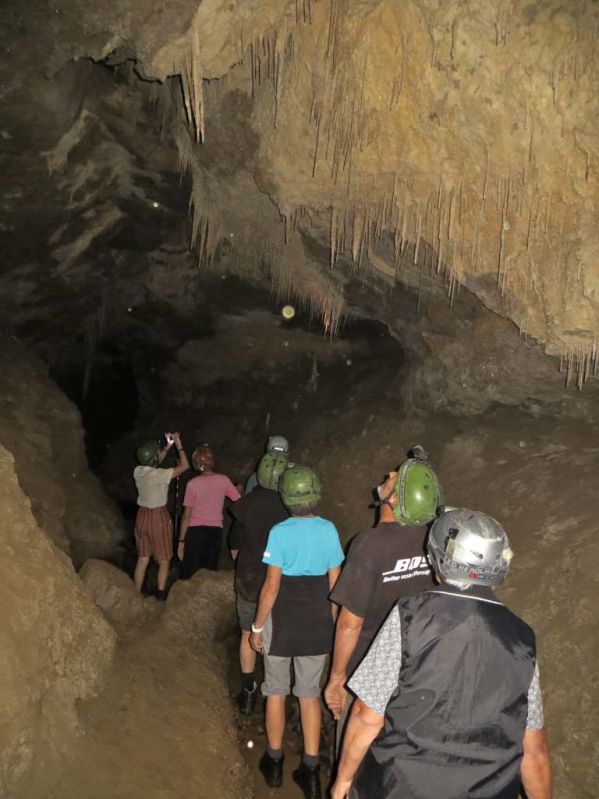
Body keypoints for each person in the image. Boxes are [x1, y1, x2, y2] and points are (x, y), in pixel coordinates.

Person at [331, 508, 553, 799]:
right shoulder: (522, 638)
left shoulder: (410, 615)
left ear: (436, 559)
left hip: (401, 786)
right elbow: (533, 750)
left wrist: (343, 781)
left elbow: (367, 715)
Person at [325, 448, 442, 747]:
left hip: (367, 675)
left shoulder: (369, 545)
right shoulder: (438, 541)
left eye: (396, 477)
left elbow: (349, 622)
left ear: (394, 500)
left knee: (354, 755)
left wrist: (337, 678)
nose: (389, 474)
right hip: (419, 673)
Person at [249, 465, 344, 799]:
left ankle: (273, 763)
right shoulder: (330, 530)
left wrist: (257, 627)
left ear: (286, 496)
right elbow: (336, 586)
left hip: (283, 619)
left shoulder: (280, 532)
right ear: (315, 493)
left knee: (275, 690)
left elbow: (271, 587)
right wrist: (334, 627)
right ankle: (312, 770)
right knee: (308, 694)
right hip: (317, 621)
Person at [229, 450, 290, 715]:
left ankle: (248, 691)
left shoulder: (247, 503)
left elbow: (234, 543)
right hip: (281, 582)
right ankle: (277, 694)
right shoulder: (290, 507)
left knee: (247, 633)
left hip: (249, 578)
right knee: (276, 635)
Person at [133, 433, 189, 599]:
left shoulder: (138, 471)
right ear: (155, 459)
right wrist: (179, 444)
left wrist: (167, 446)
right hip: (158, 518)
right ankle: (159, 595)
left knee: (143, 559)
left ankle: (135, 594)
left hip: (141, 516)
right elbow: (185, 465)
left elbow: (154, 461)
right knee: (164, 560)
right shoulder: (160, 475)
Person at [177, 444, 240, 578]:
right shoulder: (223, 480)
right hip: (214, 531)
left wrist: (181, 541)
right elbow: (238, 500)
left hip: (194, 532)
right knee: (208, 573)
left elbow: (186, 516)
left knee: (190, 573)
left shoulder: (192, 484)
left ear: (196, 463)